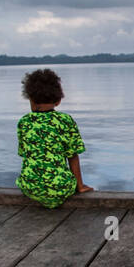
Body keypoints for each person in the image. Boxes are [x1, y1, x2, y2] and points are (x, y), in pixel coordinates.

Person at [16, 68, 92, 208]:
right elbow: (72, 155)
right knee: (65, 178)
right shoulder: (65, 120)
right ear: (58, 101)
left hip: (30, 187)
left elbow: (25, 154)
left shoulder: (24, 122)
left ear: (30, 98)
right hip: (60, 189)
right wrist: (79, 186)